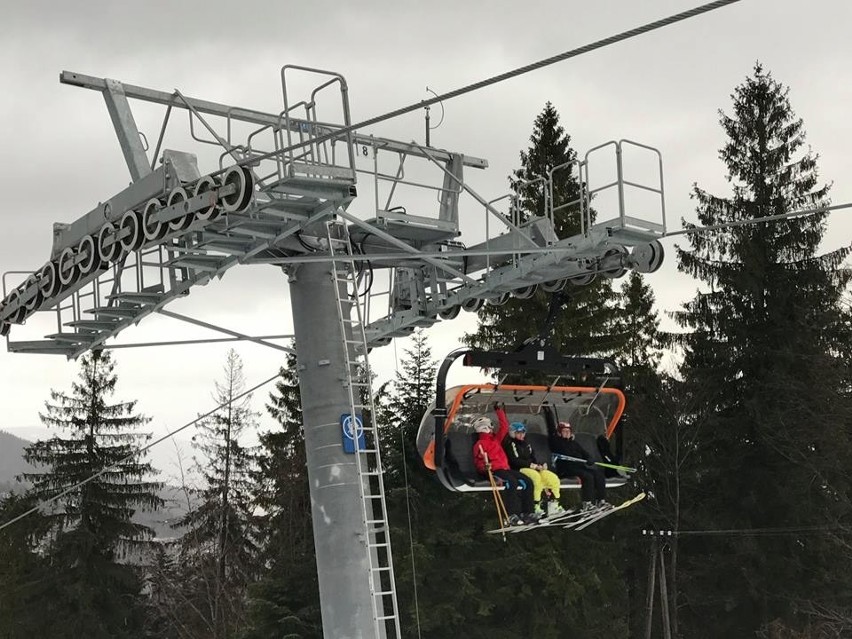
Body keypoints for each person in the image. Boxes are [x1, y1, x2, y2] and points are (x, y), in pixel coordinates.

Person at [472, 402, 536, 526]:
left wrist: (499, 411)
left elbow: (505, 427)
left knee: (528, 481)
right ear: (485, 427)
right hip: (495, 470)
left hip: (505, 469)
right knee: (512, 482)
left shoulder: (495, 439)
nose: (492, 428)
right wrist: (485, 468)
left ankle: (528, 512)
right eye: (490, 426)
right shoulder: (480, 444)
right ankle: (512, 514)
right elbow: (478, 462)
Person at [503, 421, 565, 518]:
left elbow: (533, 457)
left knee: (553, 478)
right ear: (513, 433)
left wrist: (539, 465)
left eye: (523, 433)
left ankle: (554, 505)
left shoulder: (527, 444)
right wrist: (532, 465)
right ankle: (536, 505)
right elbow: (514, 460)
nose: (521, 435)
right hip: (519, 469)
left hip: (532, 467)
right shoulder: (511, 444)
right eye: (518, 433)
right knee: (536, 478)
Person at [548, 420, 607, 511]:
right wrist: (547, 411)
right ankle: (587, 503)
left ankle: (600, 500)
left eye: (569, 431)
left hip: (578, 467)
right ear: (560, 433)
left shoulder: (573, 443)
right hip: (566, 469)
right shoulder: (556, 442)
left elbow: (584, 453)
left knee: (598, 475)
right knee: (588, 477)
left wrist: (589, 459)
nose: (567, 433)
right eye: (564, 431)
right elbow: (551, 429)